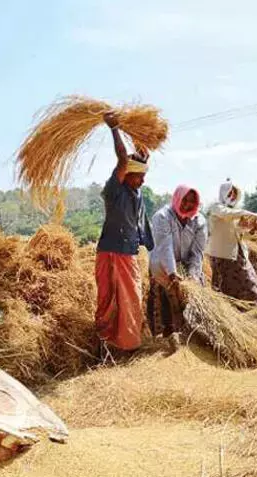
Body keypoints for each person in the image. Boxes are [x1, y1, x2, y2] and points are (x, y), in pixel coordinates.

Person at [94, 111, 154, 356]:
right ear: (125, 174)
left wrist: (138, 135)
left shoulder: (135, 193)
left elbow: (142, 154)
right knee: (107, 301)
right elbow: (122, 158)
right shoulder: (114, 190)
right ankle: (104, 342)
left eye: (144, 176)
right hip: (109, 251)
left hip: (127, 252)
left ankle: (128, 345)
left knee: (131, 299)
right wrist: (115, 128)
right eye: (138, 176)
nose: (142, 181)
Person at [146, 185, 208, 350]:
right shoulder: (162, 217)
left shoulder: (200, 221)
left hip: (186, 266)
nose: (187, 205)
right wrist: (173, 274)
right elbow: (165, 247)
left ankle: (192, 338)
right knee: (165, 304)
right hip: (162, 266)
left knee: (192, 304)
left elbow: (197, 252)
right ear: (177, 198)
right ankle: (166, 341)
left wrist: (193, 277)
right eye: (184, 200)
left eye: (192, 202)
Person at [207, 179, 257, 302]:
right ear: (223, 193)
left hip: (237, 253)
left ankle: (247, 305)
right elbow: (227, 214)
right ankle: (229, 310)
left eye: (234, 194)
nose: (232, 196)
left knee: (250, 281)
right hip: (222, 254)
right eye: (229, 193)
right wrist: (250, 214)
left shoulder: (236, 213)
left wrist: (251, 230)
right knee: (223, 286)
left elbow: (239, 233)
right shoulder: (217, 207)